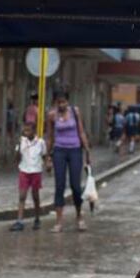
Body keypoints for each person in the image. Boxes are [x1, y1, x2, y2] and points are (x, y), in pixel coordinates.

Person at [45, 90, 91, 232]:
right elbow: (50, 137)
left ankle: (79, 216)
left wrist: (87, 150)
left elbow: (81, 131)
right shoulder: (52, 115)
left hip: (75, 151)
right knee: (59, 185)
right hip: (59, 151)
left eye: (64, 102)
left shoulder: (75, 112)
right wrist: (48, 156)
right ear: (55, 103)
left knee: (75, 186)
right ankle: (58, 221)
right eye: (59, 102)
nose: (61, 105)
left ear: (68, 101)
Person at [10, 122, 47, 231]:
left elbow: (44, 155)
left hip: (36, 171)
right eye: (25, 131)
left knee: (35, 196)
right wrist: (18, 148)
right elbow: (17, 158)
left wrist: (48, 164)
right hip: (24, 170)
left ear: (34, 131)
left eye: (28, 130)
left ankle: (37, 218)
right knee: (22, 196)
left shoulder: (40, 142)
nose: (26, 133)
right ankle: (19, 220)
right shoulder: (21, 142)